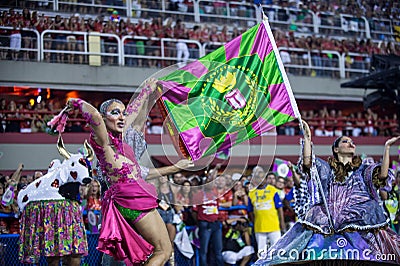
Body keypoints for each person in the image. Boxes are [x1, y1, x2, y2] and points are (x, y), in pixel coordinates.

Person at [53, 78, 192, 265]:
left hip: (130, 200)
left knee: (150, 254)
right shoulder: (104, 143)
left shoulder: (123, 146)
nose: (121, 117)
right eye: (115, 113)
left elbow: (134, 115)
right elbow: (94, 114)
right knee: (162, 251)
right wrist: (77, 102)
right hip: (132, 201)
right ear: (103, 120)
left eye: (122, 113)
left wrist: (145, 92)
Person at [255, 121, 400, 265]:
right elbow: (308, 164)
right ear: (336, 149)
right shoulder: (325, 169)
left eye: (352, 142)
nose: (351, 144)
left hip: (359, 223)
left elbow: (382, 175)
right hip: (328, 224)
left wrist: (386, 148)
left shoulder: (364, 169)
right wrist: (307, 138)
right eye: (345, 141)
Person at [248, 171, 285, 255]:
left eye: (262, 178)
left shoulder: (273, 190)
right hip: (259, 227)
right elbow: (250, 211)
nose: (260, 180)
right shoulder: (251, 193)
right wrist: (255, 222)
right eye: (257, 178)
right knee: (261, 252)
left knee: (276, 250)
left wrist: (282, 222)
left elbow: (279, 208)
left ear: (265, 179)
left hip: (274, 226)